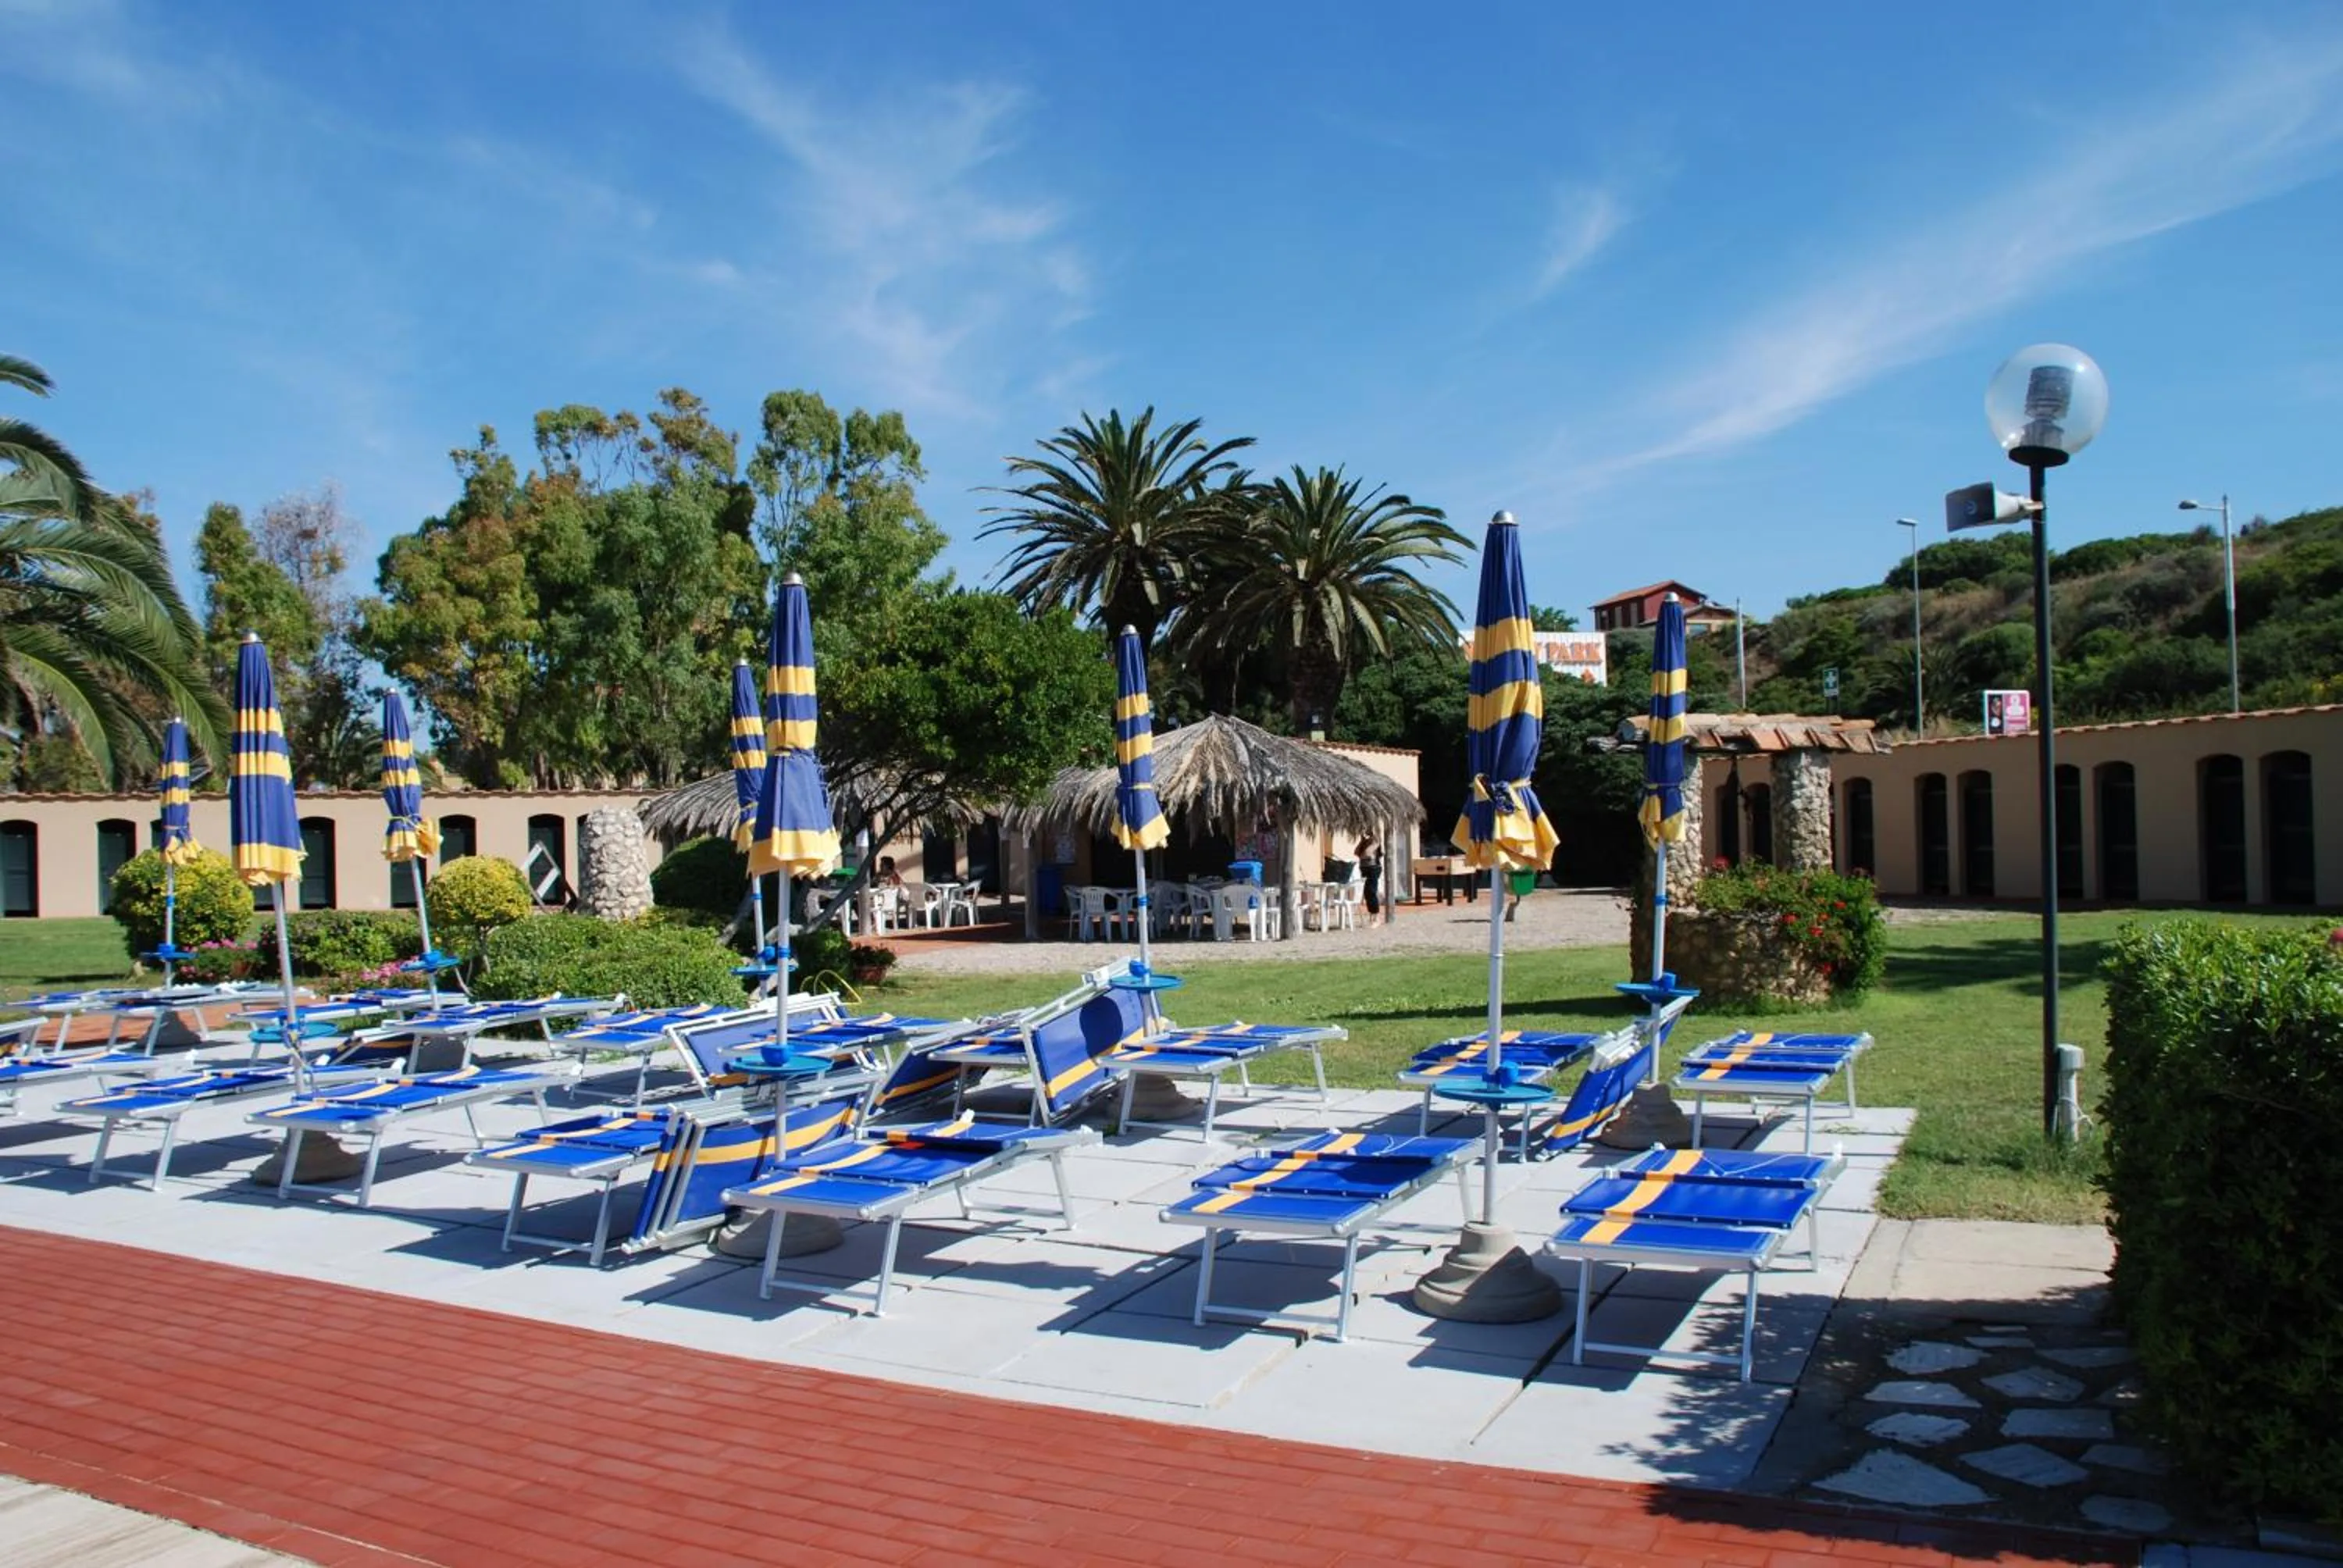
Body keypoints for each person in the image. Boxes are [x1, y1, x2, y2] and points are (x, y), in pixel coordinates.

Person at [1354, 835, 1383, 927]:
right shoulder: (1365, 841)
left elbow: (1367, 853)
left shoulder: (1375, 840)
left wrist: (1363, 852)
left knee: (1371, 891)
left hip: (1373, 869)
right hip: (1365, 869)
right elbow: (1356, 852)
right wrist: (1362, 841)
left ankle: (1377, 917)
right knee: (1367, 893)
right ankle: (1372, 915)